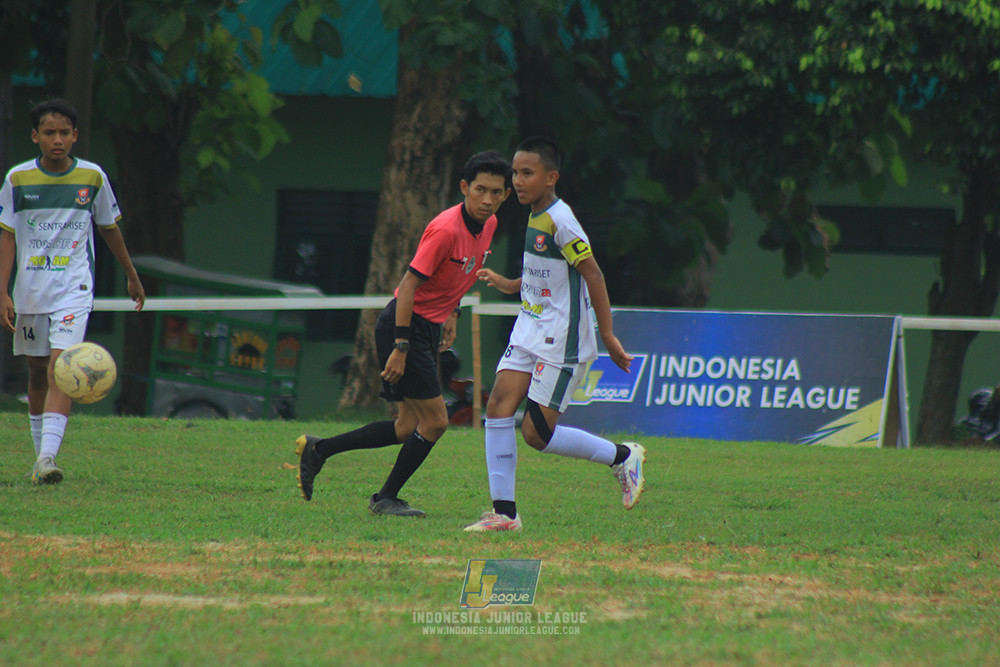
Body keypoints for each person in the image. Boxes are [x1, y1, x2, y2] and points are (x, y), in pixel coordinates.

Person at [295, 151, 512, 516]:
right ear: (464, 188)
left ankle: (318, 450)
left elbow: (466, 270)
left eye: (495, 192)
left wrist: (454, 312)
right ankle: (385, 499)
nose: (487, 199)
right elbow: (408, 286)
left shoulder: (488, 224)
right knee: (436, 421)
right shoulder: (446, 229)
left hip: (427, 328)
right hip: (405, 325)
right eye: (479, 190)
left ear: (505, 195)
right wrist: (401, 346)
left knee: (406, 426)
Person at [463, 137, 645, 533]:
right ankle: (505, 514)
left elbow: (592, 274)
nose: (518, 180)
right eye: (516, 172)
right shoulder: (534, 214)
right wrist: (509, 284)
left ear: (551, 178)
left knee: (536, 434)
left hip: (560, 340)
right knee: (496, 405)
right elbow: (541, 277)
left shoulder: (561, 220)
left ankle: (621, 456)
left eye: (527, 173)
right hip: (529, 327)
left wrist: (608, 335)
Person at [0, 99, 146, 485]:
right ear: (35, 137)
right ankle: (39, 456)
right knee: (36, 373)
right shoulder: (17, 180)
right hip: (30, 289)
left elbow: (109, 228)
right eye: (49, 133)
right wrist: (3, 291)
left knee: (61, 370)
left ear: (75, 135)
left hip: (74, 289)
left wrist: (131, 274)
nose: (58, 139)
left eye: (65, 132)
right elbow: (7, 237)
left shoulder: (93, 178)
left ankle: (48, 458)